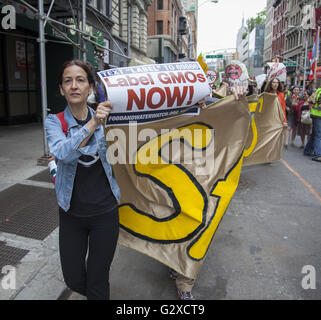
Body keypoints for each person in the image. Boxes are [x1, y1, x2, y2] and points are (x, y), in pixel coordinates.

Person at [44, 59, 121, 300]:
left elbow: (152, 118)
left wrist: (198, 103)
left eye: (80, 80)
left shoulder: (108, 116)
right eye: (68, 81)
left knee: (98, 280)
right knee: (74, 278)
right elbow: (63, 153)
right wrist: (93, 122)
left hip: (105, 214)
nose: (74, 86)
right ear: (61, 89)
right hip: (71, 214)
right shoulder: (54, 122)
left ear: (90, 87)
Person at [168, 84, 248, 300]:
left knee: (199, 231)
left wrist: (239, 97)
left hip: (206, 184)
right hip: (176, 183)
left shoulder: (216, 107)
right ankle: (175, 262)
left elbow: (237, 124)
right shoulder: (169, 111)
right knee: (178, 229)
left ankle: (185, 283)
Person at [304, 87, 321, 162]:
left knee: (315, 134)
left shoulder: (319, 90)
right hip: (318, 115)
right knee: (318, 135)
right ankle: (317, 155)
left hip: (316, 115)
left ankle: (307, 150)